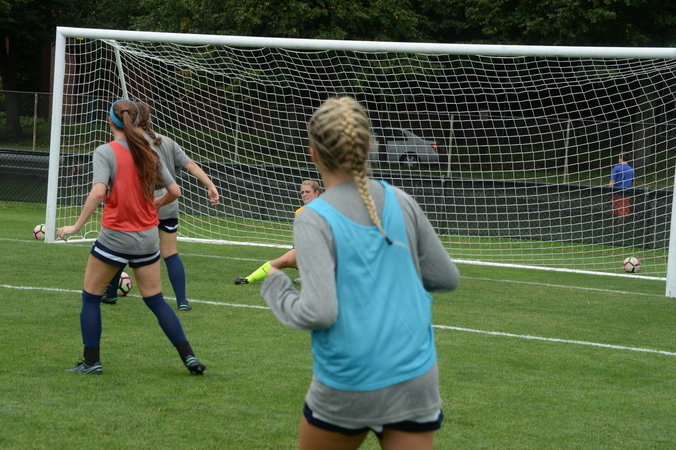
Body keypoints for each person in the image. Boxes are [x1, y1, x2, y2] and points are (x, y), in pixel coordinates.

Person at [260, 96, 459, 449]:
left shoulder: (313, 217)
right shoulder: (401, 200)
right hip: (414, 376)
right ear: (369, 147)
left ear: (314, 154)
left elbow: (319, 312)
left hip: (350, 379)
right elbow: (445, 278)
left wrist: (275, 285)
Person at [57, 98, 206, 376]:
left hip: (116, 235)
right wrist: (154, 206)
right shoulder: (150, 152)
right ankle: (189, 357)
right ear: (137, 121)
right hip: (147, 238)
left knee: (91, 297)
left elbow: (98, 192)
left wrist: (75, 227)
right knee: (156, 300)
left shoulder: (105, 151)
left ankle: (91, 362)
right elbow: (175, 192)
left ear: (109, 122)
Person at [101, 101, 220, 311]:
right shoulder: (166, 141)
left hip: (143, 205)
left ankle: (110, 294)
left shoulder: (130, 143)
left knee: (122, 249)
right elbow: (190, 164)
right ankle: (182, 301)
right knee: (170, 253)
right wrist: (210, 185)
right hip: (169, 204)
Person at [233, 180, 321, 285]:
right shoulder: (299, 212)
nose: (304, 195)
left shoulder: (327, 209)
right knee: (283, 261)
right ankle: (247, 279)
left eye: (307, 192)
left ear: (316, 192)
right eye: (302, 192)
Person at [609, 153, 634, 226]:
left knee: (615, 211)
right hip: (626, 193)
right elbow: (631, 181)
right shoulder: (632, 169)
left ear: (620, 158)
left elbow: (612, 182)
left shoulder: (616, 168)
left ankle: (615, 228)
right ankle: (620, 228)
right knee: (622, 211)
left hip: (617, 193)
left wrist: (609, 190)